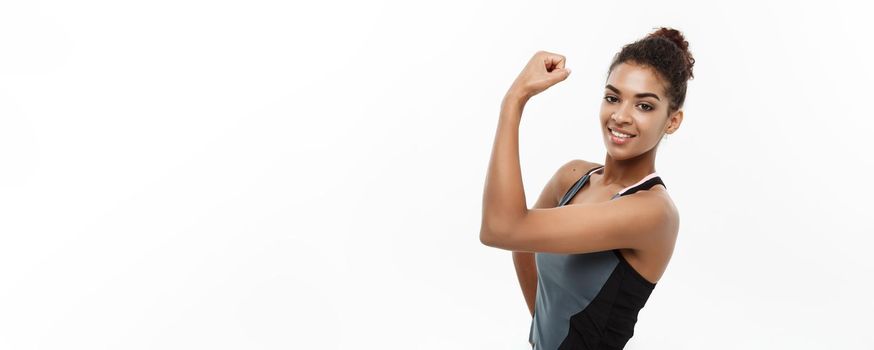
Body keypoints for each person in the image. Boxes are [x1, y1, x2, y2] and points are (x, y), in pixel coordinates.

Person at [479, 27, 694, 349]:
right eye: (612, 98)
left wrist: (514, 101)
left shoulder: (652, 212)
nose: (621, 116)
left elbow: (499, 228)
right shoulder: (573, 176)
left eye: (644, 106)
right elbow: (521, 245)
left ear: (672, 121)